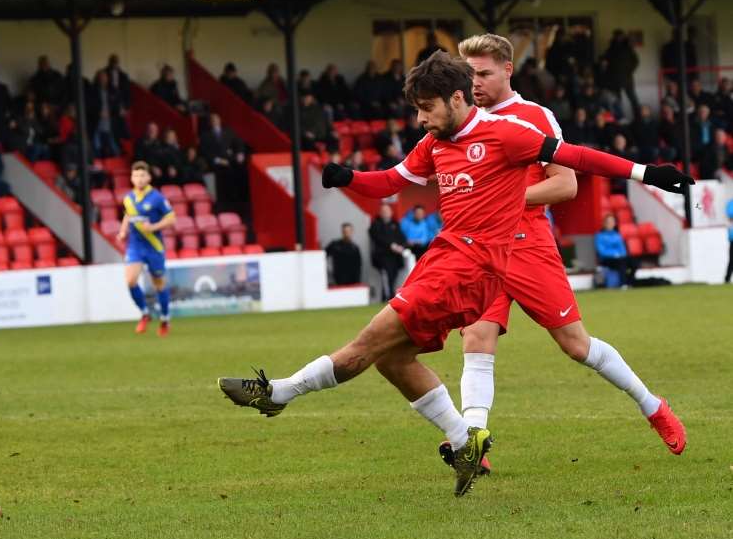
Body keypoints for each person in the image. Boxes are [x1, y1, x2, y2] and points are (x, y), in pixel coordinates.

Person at [218, 50, 692, 497]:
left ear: (458, 97)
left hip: (476, 266)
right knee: (392, 359)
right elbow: (392, 182)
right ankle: (465, 441)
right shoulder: (435, 143)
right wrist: (348, 179)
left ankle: (280, 392)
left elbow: (577, 159)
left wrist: (648, 174)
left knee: (374, 340)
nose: (420, 119)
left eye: (426, 109)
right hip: (445, 259)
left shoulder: (509, 131)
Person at [443, 33, 685, 474]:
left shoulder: (534, 116)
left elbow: (566, 184)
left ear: (507, 70)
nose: (474, 83)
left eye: (483, 73)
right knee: (476, 339)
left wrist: (503, 198)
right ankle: (472, 444)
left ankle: (653, 407)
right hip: (481, 247)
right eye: (469, 74)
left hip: (528, 243)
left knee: (576, 345)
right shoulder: (462, 122)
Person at [117, 161, 176, 336]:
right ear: (132, 178)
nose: (139, 179)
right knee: (130, 280)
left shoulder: (157, 198)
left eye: (143, 175)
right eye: (136, 175)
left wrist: (154, 227)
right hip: (135, 246)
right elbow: (128, 215)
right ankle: (145, 313)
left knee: (158, 283)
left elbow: (171, 219)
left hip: (153, 246)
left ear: (149, 177)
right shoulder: (128, 198)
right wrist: (122, 231)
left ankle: (165, 319)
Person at [368, 203, 408, 302]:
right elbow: (377, 237)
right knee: (386, 277)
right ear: (380, 213)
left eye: (387, 211)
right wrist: (391, 245)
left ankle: (391, 296)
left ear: (391, 212)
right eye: (383, 211)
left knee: (393, 277)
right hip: (382, 257)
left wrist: (401, 246)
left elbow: (402, 238)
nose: (386, 213)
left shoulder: (395, 224)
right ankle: (387, 298)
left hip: (395, 257)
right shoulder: (375, 224)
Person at [595, 213, 629, 288]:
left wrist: (621, 255)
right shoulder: (600, 236)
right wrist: (614, 254)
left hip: (619, 258)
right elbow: (601, 251)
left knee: (634, 263)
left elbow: (622, 249)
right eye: (608, 222)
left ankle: (630, 281)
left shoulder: (617, 235)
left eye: (612, 222)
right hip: (606, 260)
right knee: (621, 262)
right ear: (604, 224)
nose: (610, 224)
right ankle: (623, 284)